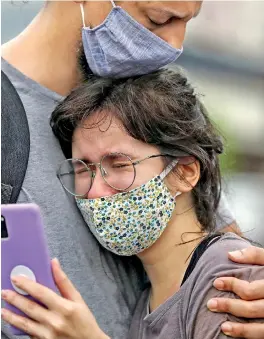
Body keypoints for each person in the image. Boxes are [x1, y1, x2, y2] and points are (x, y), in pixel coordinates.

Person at [1, 1, 264, 338]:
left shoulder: (147, 101)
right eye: (160, 17)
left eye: (120, 165)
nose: (174, 44)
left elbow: (226, 262)